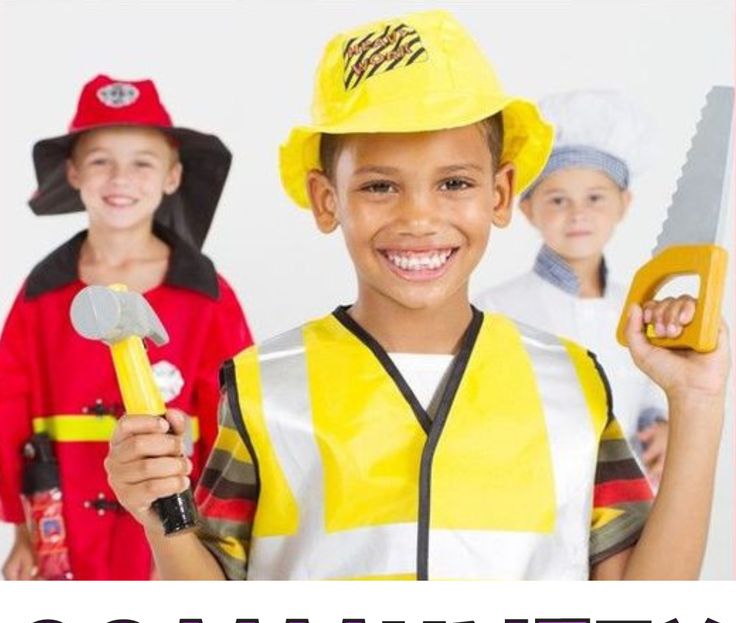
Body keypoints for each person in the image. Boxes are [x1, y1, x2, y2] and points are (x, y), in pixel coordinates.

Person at [105, 10, 728, 581]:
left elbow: (643, 616)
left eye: (454, 182)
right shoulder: (261, 385)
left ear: (502, 194)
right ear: (328, 200)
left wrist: (697, 404)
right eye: (380, 187)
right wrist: (164, 523)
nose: (420, 217)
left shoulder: (572, 384)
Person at [0, 74, 252, 580]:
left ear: (172, 176)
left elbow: (237, 427)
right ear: (73, 173)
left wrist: (206, 547)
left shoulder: (208, 297)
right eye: (100, 161)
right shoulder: (41, 296)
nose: (121, 179)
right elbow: (9, 411)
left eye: (142, 162)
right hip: (63, 524)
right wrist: (23, 531)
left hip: (174, 532)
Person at [477, 90, 668, 483]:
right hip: (535, 494)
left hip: (633, 500)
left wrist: (661, 425)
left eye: (595, 198)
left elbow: (652, 388)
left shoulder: (639, 303)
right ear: (527, 209)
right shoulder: (494, 310)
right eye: (558, 200)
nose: (578, 213)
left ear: (624, 203)